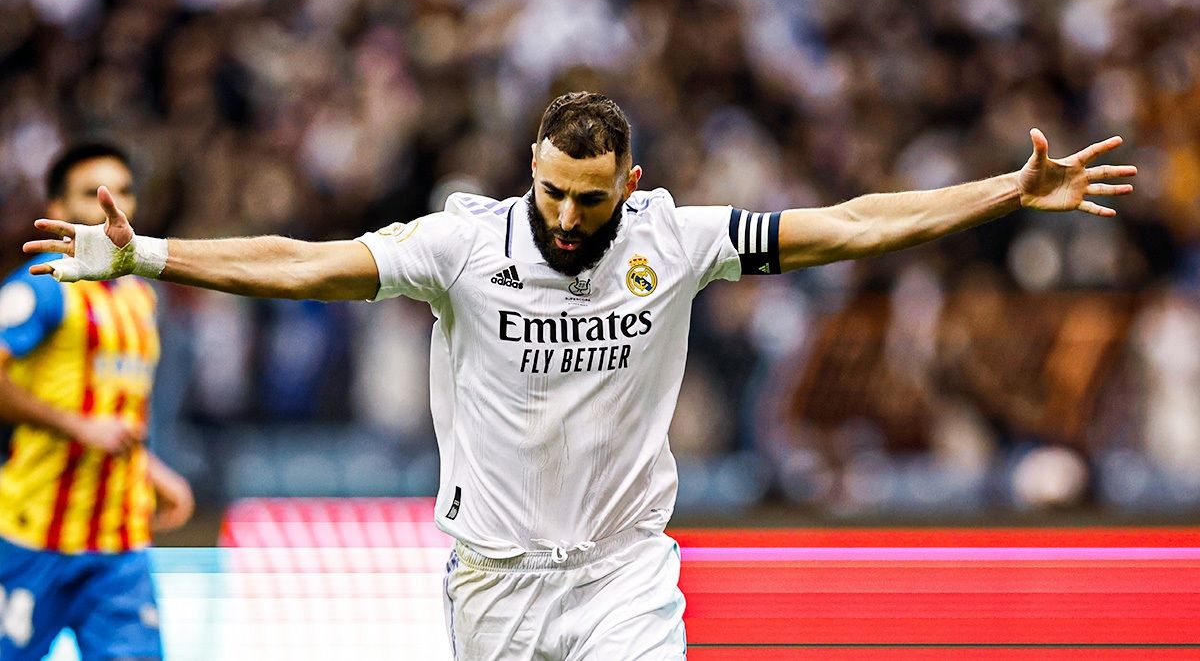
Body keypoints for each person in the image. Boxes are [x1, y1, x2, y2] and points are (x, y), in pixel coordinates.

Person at [23, 93, 1135, 659]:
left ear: (630, 184)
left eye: (588, 198)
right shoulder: (463, 246)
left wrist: (1001, 191)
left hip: (621, 576)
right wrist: (148, 253)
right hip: (493, 579)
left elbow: (848, 223)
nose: (564, 216)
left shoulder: (678, 239)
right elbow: (304, 261)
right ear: (532, 174)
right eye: (550, 191)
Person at [1, 142, 194, 660]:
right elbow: (87, 421)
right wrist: (76, 426)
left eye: (125, 191)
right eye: (93, 194)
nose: (114, 203)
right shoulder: (42, 289)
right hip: (33, 534)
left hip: (119, 544)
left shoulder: (141, 297)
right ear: (58, 212)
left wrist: (151, 472)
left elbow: (117, 413)